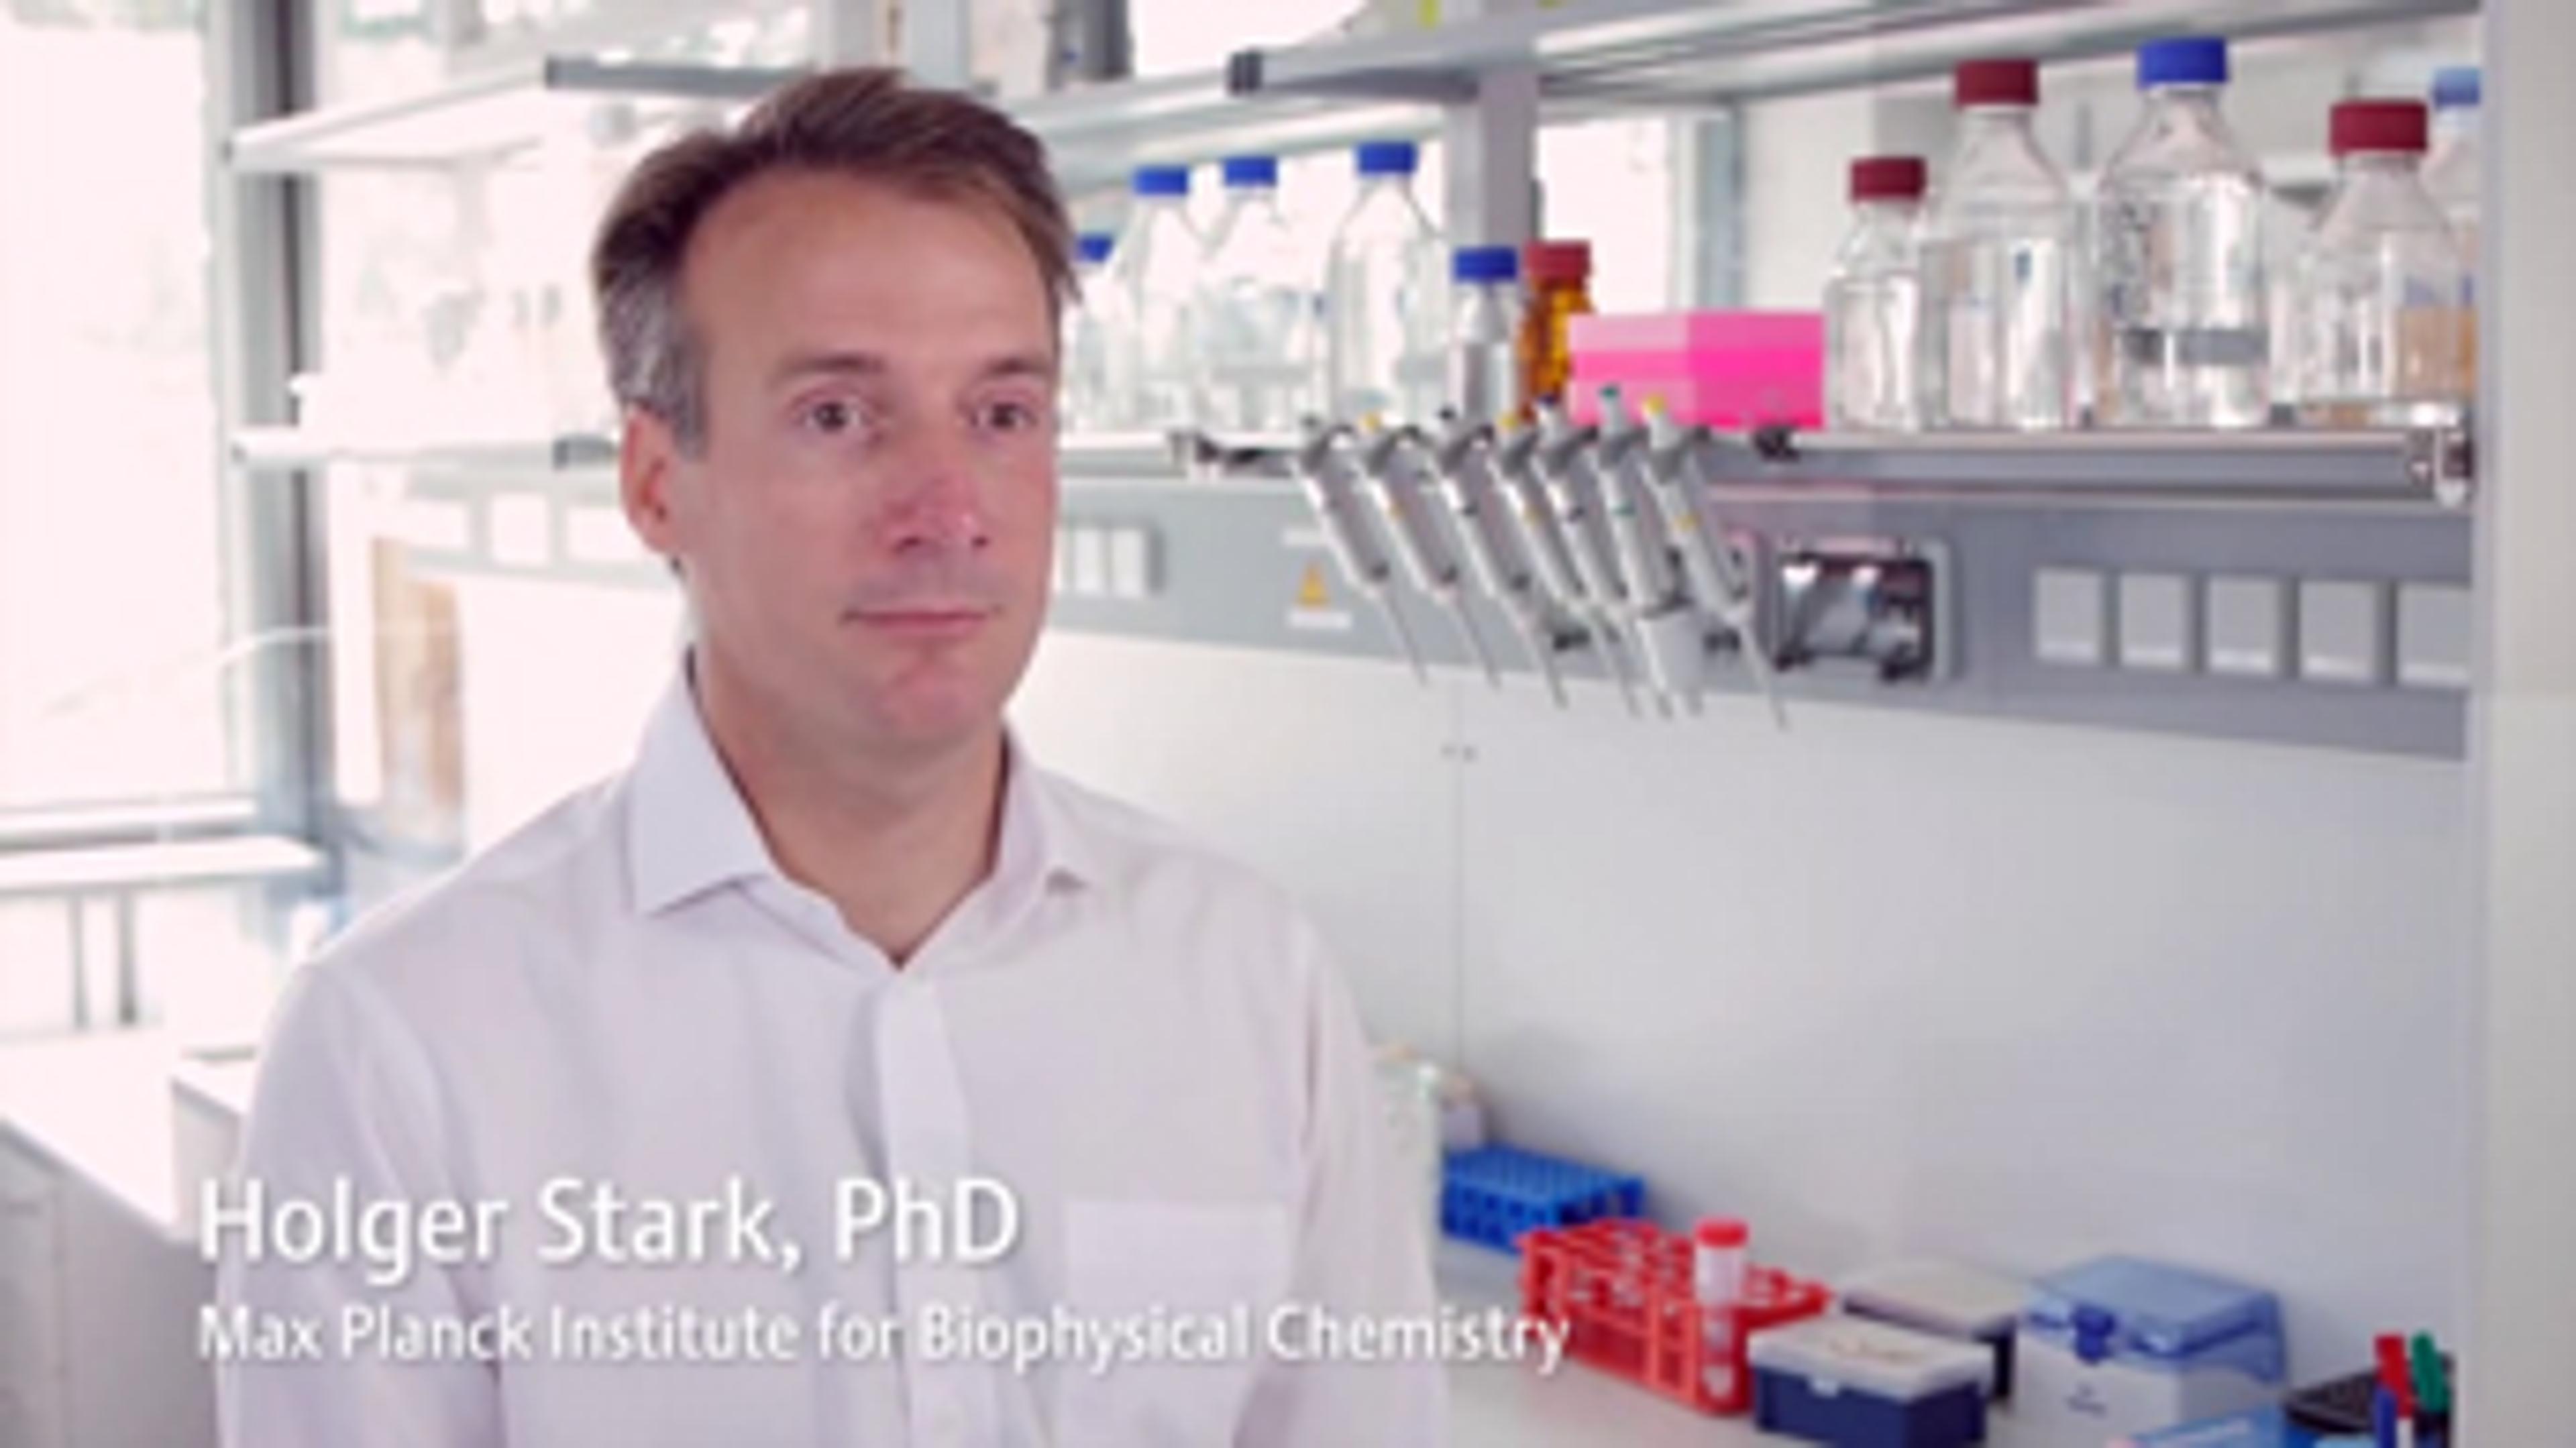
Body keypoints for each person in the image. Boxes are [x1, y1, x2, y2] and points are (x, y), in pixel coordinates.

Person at [217, 67, 1445, 1446]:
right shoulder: (403, 1047)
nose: (947, 508)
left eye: (1001, 414)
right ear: (657, 484)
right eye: (838, 416)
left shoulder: (1249, 978)